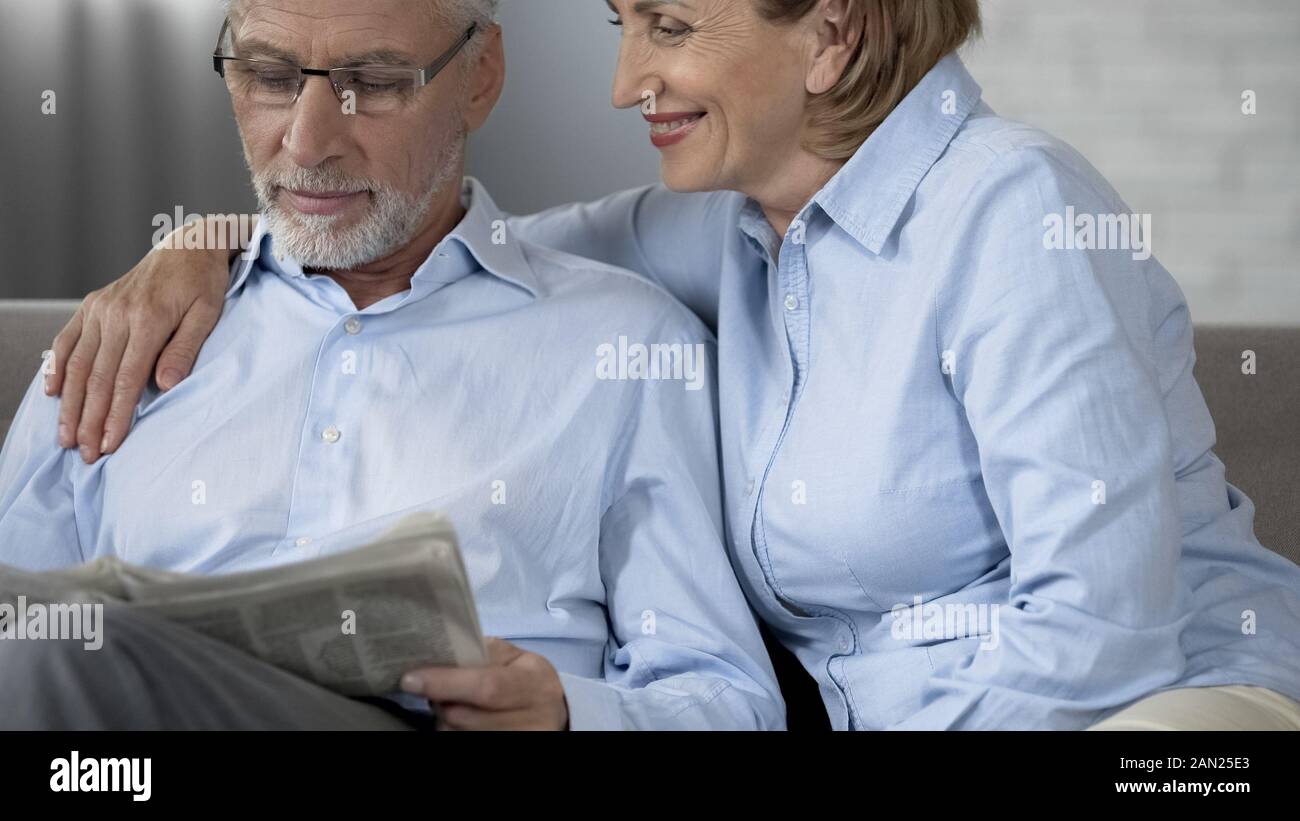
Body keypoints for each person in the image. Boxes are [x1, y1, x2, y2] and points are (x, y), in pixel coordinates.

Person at [41, 0, 1300, 729]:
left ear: (831, 36)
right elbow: (421, 234)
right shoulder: (721, 222)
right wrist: (209, 247)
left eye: (671, 25)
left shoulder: (1010, 211)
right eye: (620, 20)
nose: (622, 78)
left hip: (1161, 713)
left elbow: (1107, 632)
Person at [0, 0, 785, 731]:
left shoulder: (629, 348)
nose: (307, 142)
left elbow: (727, 696)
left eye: (371, 84)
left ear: (480, 78)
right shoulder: (125, 335)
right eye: (270, 77)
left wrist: (568, 710)